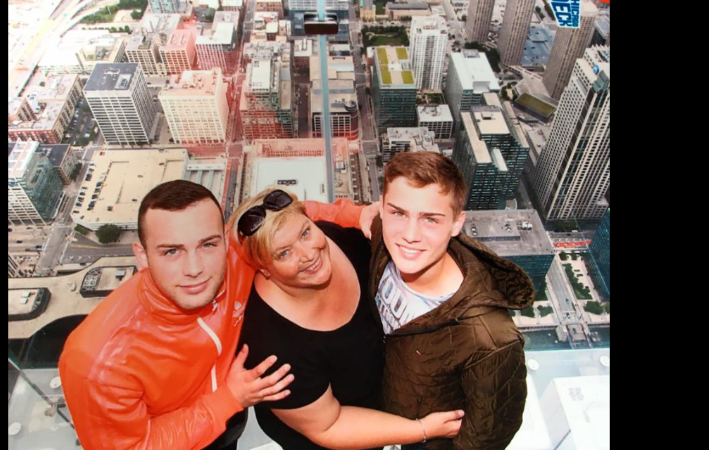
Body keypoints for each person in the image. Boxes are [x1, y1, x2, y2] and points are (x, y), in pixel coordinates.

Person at [59, 180, 370, 450]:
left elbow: (292, 220)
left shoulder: (233, 253)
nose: (195, 268)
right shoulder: (96, 363)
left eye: (207, 245)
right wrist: (228, 398)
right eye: (171, 251)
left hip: (232, 422)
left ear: (223, 238)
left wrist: (358, 215)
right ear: (142, 255)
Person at [231, 188, 466, 450]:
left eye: (305, 233)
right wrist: (421, 429)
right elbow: (328, 426)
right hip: (336, 435)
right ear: (263, 268)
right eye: (284, 253)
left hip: (386, 395)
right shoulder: (269, 346)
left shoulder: (338, 238)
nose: (308, 254)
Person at [368, 152, 535, 450]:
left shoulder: (490, 342)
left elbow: (485, 438)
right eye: (398, 213)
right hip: (379, 405)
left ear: (457, 223)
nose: (409, 235)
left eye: (430, 219)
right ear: (382, 208)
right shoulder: (382, 236)